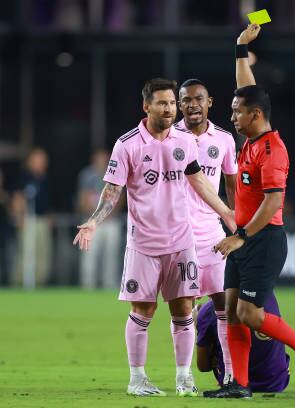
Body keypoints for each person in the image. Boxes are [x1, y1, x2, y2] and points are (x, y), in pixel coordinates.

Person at [73, 78, 236, 398]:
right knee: (142, 312)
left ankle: (183, 378)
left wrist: (227, 213)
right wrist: (93, 221)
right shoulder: (128, 144)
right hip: (143, 245)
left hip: (181, 243)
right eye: (163, 103)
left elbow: (200, 182)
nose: (170, 109)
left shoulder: (184, 142)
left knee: (184, 312)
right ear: (146, 106)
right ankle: (137, 378)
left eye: (172, 103)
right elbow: (112, 191)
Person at [204, 24, 295, 399]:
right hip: (245, 239)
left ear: (256, 115)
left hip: (263, 240)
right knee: (232, 310)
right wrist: (241, 48)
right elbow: (246, 88)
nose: (233, 116)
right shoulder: (252, 140)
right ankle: (238, 384)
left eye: (238, 112)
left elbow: (274, 202)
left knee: (251, 314)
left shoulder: (272, 151)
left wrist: (240, 236)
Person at [175, 78, 238, 384]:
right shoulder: (170, 136)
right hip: (178, 236)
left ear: (209, 102)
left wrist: (237, 228)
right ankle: (184, 375)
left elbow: (231, 186)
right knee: (184, 308)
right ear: (179, 104)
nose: (192, 105)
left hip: (212, 235)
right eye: (185, 100)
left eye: (197, 99)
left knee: (223, 303)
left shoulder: (224, 139)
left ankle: (229, 373)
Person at [196, 293, 290, 393]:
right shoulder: (269, 297)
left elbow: (203, 366)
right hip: (275, 383)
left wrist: (199, 321)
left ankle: (232, 376)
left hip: (232, 383)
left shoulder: (208, 310)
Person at [76, 149, 122, 289]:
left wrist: (106, 215)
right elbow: (82, 199)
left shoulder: (115, 172)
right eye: (99, 159)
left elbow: (120, 198)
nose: (101, 161)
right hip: (91, 221)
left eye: (104, 159)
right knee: (89, 255)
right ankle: (87, 286)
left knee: (111, 256)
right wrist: (95, 218)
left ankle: (109, 286)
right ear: (94, 159)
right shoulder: (86, 175)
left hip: (111, 222)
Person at [11, 148, 52, 287]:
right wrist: (19, 217)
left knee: (42, 254)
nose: (40, 163)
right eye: (37, 160)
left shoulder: (46, 179)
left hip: (42, 220)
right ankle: (19, 284)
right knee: (26, 255)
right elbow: (17, 199)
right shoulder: (24, 177)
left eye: (42, 160)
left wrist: (49, 218)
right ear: (30, 161)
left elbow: (49, 202)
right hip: (28, 219)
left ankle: (39, 284)